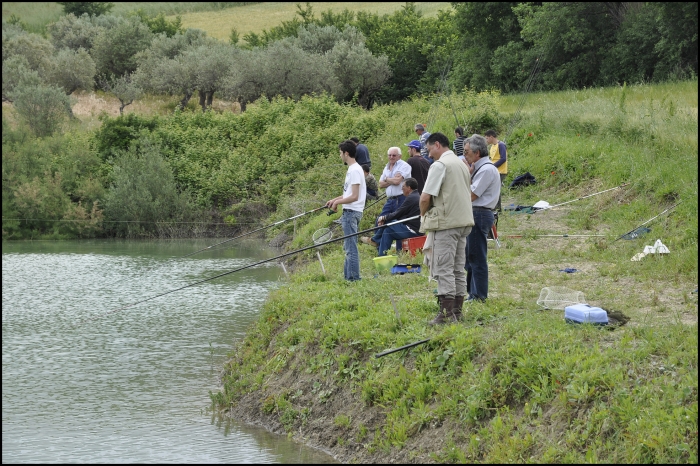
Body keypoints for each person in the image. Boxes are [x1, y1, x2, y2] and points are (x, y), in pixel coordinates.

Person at [419, 132, 474, 325]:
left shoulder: (440, 165)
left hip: (446, 222)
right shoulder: (462, 164)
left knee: (443, 267)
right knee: (458, 268)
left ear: (436, 145)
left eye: (429, 149)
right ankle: (458, 312)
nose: (429, 154)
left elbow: (425, 197)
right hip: (463, 221)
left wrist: (423, 215)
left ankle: (446, 314)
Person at [463, 134, 501, 301]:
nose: (464, 155)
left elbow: (471, 194)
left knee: (477, 256)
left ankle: (479, 295)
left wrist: (465, 177)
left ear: (477, 153)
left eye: (467, 152)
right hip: (475, 212)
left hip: (479, 212)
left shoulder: (486, 169)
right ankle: (472, 292)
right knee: (470, 256)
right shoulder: (478, 168)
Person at [326, 140, 366, 281]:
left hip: (351, 212)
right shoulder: (353, 169)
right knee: (348, 247)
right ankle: (348, 278)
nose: (340, 156)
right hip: (350, 211)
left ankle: (354, 280)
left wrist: (338, 202)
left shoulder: (355, 170)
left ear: (346, 153)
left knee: (351, 249)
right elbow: (349, 193)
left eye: (340, 153)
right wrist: (335, 199)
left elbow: (354, 197)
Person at [361, 147, 412, 248]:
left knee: (398, 222)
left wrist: (387, 179)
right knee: (380, 220)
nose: (391, 157)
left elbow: (397, 182)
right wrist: (392, 179)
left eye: (394, 155)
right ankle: (378, 244)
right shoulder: (387, 167)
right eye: (390, 155)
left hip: (401, 198)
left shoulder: (404, 166)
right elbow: (380, 184)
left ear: (399, 156)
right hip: (390, 200)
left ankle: (396, 247)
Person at [375, 177, 422, 256]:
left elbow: (398, 213)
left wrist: (384, 218)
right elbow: (401, 215)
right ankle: (382, 256)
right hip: (412, 227)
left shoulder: (411, 198)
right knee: (388, 231)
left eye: (403, 186)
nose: (401, 188)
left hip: (412, 230)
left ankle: (375, 240)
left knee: (389, 221)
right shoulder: (416, 196)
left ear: (409, 188)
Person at [484, 129, 507, 211]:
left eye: (487, 138)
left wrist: (493, 166)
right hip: (494, 171)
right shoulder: (492, 146)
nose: (486, 140)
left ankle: (498, 208)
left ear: (491, 137)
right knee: (493, 188)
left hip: (501, 171)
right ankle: (495, 207)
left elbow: (503, 158)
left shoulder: (501, 145)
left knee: (496, 189)